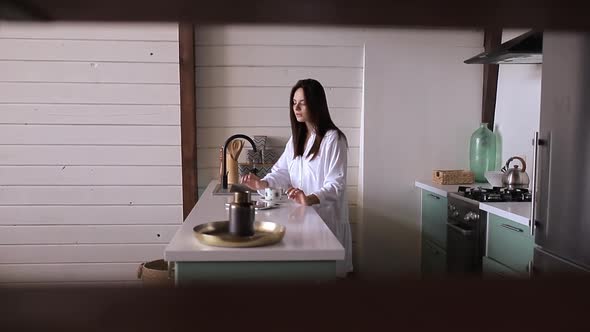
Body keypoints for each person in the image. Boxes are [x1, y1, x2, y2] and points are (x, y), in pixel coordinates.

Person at [240, 78, 353, 277]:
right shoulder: (296, 140)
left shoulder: (333, 139)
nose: (296, 107)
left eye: (302, 102)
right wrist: (262, 183)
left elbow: (336, 184)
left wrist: (309, 198)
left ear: (316, 103)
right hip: (303, 218)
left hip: (326, 221)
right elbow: (282, 172)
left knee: (326, 280)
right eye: (294, 102)